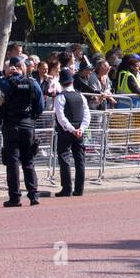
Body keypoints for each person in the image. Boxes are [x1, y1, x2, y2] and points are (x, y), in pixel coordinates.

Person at [0, 55, 44, 207]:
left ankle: (15, 198)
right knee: (28, 162)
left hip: (11, 126)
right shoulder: (33, 83)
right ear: (23, 68)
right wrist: (31, 118)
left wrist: (4, 72)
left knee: (12, 163)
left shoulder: (7, 83)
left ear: (13, 68)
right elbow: (40, 106)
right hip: (27, 126)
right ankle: (33, 195)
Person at [53, 68, 90, 197]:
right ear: (72, 81)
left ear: (61, 83)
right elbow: (87, 115)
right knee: (80, 160)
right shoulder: (81, 96)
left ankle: (66, 188)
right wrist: (81, 129)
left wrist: (71, 129)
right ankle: (79, 189)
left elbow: (60, 117)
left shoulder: (60, 97)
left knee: (64, 158)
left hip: (66, 132)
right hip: (79, 132)